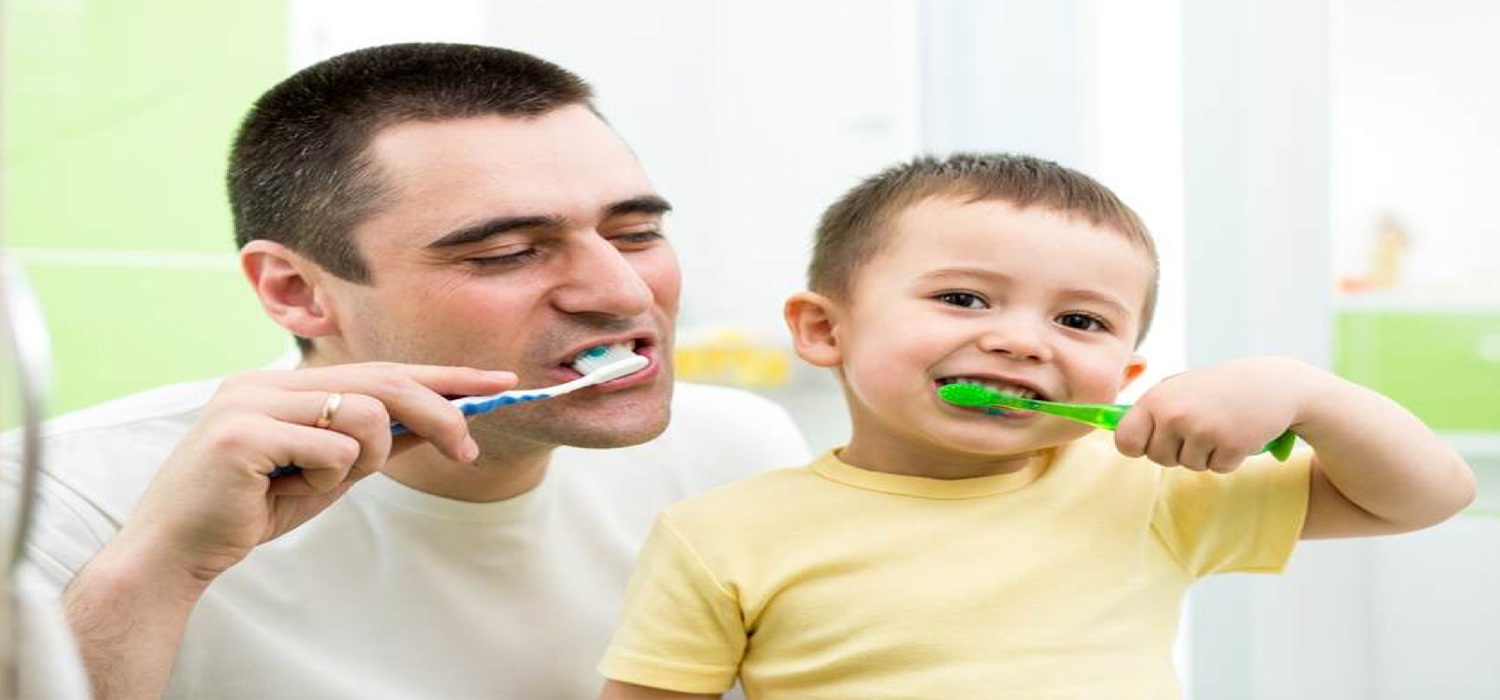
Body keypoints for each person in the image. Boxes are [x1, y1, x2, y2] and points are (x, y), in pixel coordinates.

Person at [1, 43, 809, 699]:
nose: (624, 292)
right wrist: (159, 570)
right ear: (296, 291)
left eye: (635, 234)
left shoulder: (735, 452)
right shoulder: (58, 500)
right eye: (507, 253)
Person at [596, 153, 1477, 699]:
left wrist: (1307, 392)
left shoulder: (1149, 489)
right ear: (826, 330)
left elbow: (1427, 496)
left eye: (1080, 321)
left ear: (1124, 378)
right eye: (963, 298)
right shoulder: (721, 537)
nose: (1021, 341)